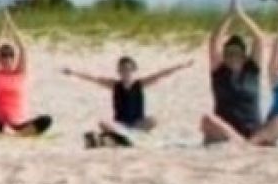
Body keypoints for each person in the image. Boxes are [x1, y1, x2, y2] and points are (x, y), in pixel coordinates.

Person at [200, 0, 278, 147]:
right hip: (227, 130)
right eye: (228, 53)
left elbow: (259, 38)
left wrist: (241, 15)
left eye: (236, 53)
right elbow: (214, 40)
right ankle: (245, 143)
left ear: (244, 55)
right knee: (207, 119)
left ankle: (249, 143)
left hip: (254, 131)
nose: (232, 57)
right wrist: (229, 15)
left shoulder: (252, 70)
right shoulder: (219, 72)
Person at [62, 56, 191, 148]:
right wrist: (73, 72)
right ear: (119, 71)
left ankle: (124, 137)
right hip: (120, 125)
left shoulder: (140, 84)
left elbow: (161, 74)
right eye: (123, 69)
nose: (126, 72)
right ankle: (124, 137)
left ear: (134, 70)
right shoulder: (114, 85)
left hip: (137, 124)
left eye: (128, 69)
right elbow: (94, 79)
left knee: (153, 120)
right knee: (103, 123)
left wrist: (181, 66)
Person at [0, 11, 53, 137]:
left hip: (21, 123)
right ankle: (18, 134)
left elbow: (23, 48)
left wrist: (11, 24)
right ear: (0, 59)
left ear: (14, 58)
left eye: (10, 55)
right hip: (3, 123)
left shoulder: (20, 73)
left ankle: (16, 134)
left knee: (46, 120)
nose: (7, 59)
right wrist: (2, 25)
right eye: (4, 56)